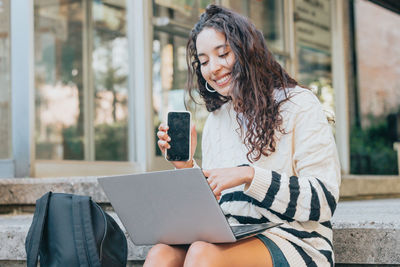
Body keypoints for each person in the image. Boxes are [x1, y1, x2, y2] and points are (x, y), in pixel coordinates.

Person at [147, 4, 341, 267]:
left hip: (295, 238)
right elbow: (218, 210)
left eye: (223, 54)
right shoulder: (218, 119)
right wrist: (187, 168)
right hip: (234, 235)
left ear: (248, 51)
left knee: (203, 254)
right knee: (162, 253)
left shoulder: (299, 104)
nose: (213, 68)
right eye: (204, 61)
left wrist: (249, 175)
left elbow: (324, 200)